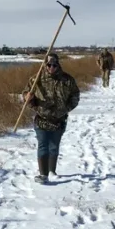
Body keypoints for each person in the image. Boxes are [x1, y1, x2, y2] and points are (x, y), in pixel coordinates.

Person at [22, 53, 81, 183]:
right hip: (41, 118)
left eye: (54, 65)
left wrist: (66, 109)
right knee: (43, 145)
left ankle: (52, 171)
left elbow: (75, 95)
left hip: (59, 120)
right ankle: (43, 175)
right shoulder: (35, 79)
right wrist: (28, 98)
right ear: (45, 65)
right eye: (49, 65)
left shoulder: (67, 80)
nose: (52, 67)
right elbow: (25, 94)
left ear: (58, 64)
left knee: (54, 146)